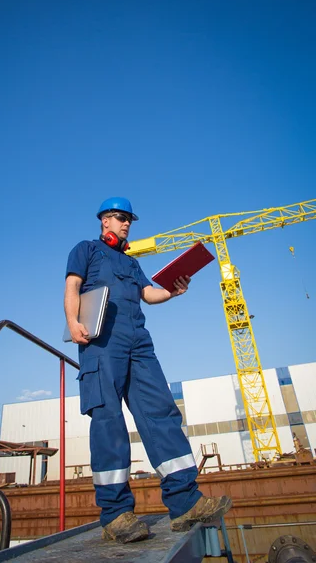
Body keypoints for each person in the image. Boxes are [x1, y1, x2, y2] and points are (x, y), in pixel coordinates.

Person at [64, 197, 232, 543]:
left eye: (130, 220)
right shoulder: (86, 250)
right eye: (121, 218)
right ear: (104, 221)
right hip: (101, 341)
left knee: (160, 412)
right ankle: (116, 514)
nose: (127, 224)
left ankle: (185, 502)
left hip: (138, 342)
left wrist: (172, 290)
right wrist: (72, 320)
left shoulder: (131, 261)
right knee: (108, 418)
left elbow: (148, 294)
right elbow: (72, 287)